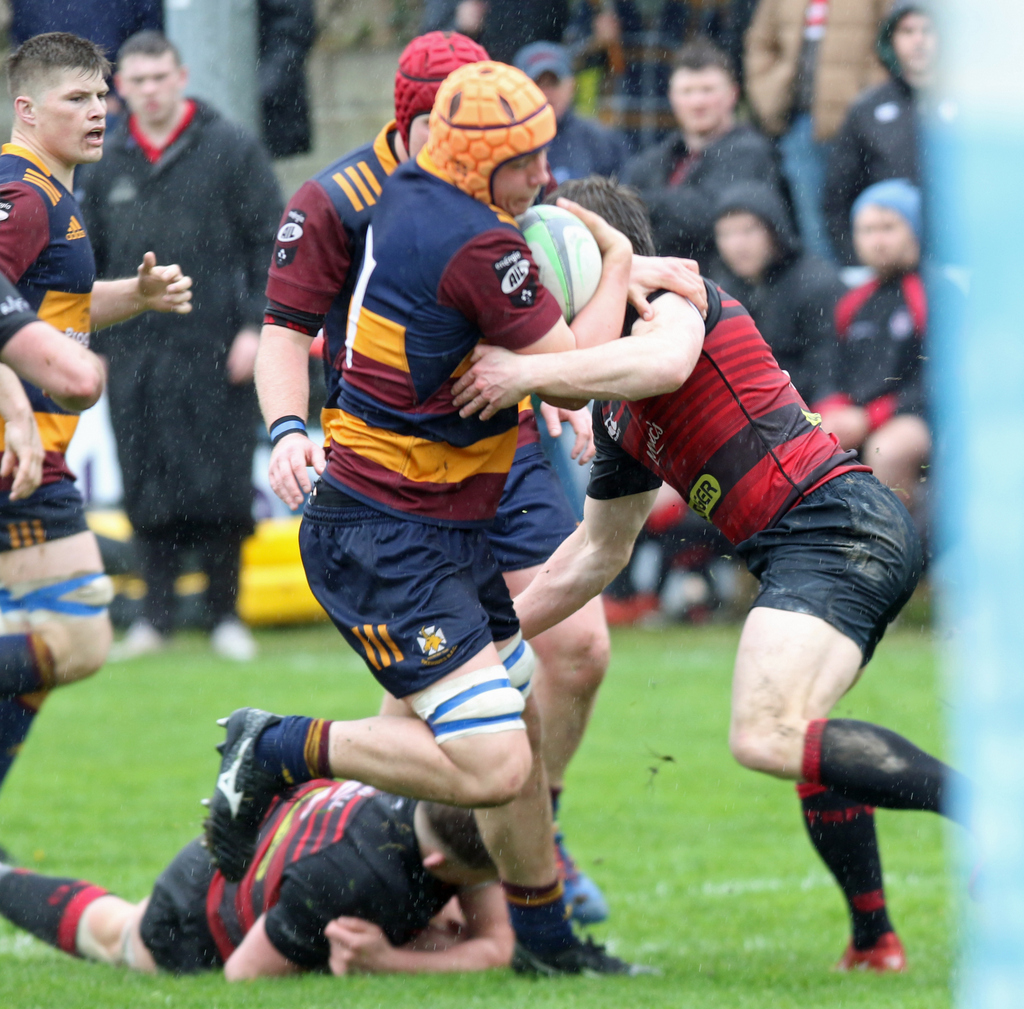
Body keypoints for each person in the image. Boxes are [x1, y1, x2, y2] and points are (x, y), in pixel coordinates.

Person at [209, 62, 704, 976]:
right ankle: (277, 747)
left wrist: (544, 344)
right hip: (389, 533)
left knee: (516, 722)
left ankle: (543, 941)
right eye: (527, 159)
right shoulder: (479, 247)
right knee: (494, 764)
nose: (545, 175)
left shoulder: (410, 193)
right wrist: (617, 266)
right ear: (475, 159)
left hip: (441, 515)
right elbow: (575, 369)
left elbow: (525, 335)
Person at [452, 174, 968, 972]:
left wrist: (524, 375)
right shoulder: (618, 410)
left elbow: (664, 362)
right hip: (818, 544)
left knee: (766, 730)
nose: (535, 309)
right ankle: (874, 940)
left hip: (838, 528)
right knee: (800, 731)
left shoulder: (676, 302)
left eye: (544, 283)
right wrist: (489, 640)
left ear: (590, 264)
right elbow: (597, 553)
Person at [261, 30, 617, 926]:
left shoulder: (500, 179)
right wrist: (288, 428)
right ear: (419, 119)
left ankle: (536, 852)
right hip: (398, 476)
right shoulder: (340, 199)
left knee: (574, 652)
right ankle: (416, 854)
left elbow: (545, 283)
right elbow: (284, 333)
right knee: (464, 717)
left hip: (501, 446)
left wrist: (557, 372)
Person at [0, 32, 191, 805]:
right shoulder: (21, 193)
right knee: (78, 638)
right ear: (26, 110)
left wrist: (133, 296)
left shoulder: (51, 192)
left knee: (29, 667)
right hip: (17, 457)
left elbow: (47, 312)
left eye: (100, 96)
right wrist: (15, 403)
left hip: (28, 456)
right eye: (75, 98)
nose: (98, 111)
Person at [79, 30, 284, 662]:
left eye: (159, 77)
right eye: (137, 80)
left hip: (216, 343)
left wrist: (255, 327)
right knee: (145, 482)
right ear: (121, 89)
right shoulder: (105, 161)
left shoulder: (231, 148)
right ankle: (155, 619)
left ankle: (226, 615)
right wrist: (90, 341)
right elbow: (87, 259)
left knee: (222, 482)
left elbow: (271, 243)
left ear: (181, 77)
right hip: (134, 351)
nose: (150, 90)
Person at [0, 778, 513, 977]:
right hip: (196, 910)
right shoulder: (347, 879)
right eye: (483, 880)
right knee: (120, 937)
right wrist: (388, 962)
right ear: (438, 865)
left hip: (267, 843)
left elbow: (494, 944)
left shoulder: (437, 794)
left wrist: (401, 952)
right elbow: (245, 974)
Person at [816, 179, 929, 524]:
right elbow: (829, 371)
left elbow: (938, 381)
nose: (877, 240)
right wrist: (833, 410)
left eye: (888, 228)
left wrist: (871, 418)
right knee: (807, 441)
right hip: (861, 414)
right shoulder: (852, 302)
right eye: (866, 230)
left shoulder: (933, 293)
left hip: (918, 416)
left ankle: (891, 549)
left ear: (915, 230)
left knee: (887, 451)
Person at [744, 0, 890, 260]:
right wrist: (769, 91)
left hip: (861, 126)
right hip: (801, 125)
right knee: (813, 226)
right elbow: (761, 42)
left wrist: (869, 94)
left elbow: (889, 36)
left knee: (871, 217)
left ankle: (867, 285)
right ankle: (827, 285)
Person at [623, 38, 785, 265]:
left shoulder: (751, 152)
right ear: (672, 97)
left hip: (719, 280)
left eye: (708, 90)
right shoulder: (655, 159)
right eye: (687, 91)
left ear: (733, 94)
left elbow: (710, 216)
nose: (697, 102)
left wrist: (644, 204)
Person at [708, 180, 843, 405]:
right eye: (725, 233)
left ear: (775, 230)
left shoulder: (815, 283)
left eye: (749, 230)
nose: (737, 245)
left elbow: (827, 373)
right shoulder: (723, 288)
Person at [823, 2, 934, 265]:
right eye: (907, 31)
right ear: (890, 39)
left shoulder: (976, 107)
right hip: (887, 265)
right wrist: (856, 260)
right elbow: (838, 197)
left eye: (928, 30)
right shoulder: (866, 109)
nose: (918, 40)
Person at [513, 41, 628, 186]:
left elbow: (620, 195)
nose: (546, 92)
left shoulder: (603, 142)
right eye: (537, 83)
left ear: (571, 85)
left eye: (553, 83)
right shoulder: (507, 142)